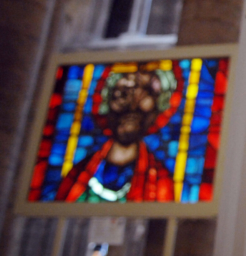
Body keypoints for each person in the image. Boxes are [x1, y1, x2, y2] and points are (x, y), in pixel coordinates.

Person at [56, 69, 177, 202]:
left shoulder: (159, 180)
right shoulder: (78, 174)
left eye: (146, 94)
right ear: (106, 103)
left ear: (155, 113)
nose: (132, 107)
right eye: (122, 95)